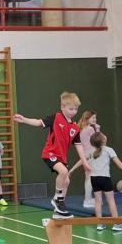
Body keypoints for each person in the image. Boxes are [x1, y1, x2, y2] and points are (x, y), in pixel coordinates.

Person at [13, 91, 91, 219]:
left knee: (66, 180)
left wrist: (85, 163)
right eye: (71, 109)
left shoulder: (75, 128)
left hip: (62, 157)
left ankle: (59, 210)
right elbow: (39, 122)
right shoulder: (56, 118)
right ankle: (57, 199)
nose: (73, 112)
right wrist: (24, 120)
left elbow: (79, 146)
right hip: (50, 153)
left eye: (76, 109)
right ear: (62, 107)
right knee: (64, 171)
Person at [87, 132, 122, 232]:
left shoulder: (91, 151)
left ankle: (99, 224)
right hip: (105, 178)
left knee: (98, 201)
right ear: (103, 140)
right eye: (103, 135)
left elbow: (84, 162)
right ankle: (117, 224)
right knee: (111, 201)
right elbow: (120, 165)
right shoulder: (108, 150)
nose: (105, 135)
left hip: (94, 178)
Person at [69, 111, 100, 209]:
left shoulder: (81, 129)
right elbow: (98, 140)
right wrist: (98, 129)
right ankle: (87, 200)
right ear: (87, 118)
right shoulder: (90, 129)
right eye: (93, 118)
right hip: (91, 156)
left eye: (95, 118)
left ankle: (88, 198)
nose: (95, 120)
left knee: (88, 178)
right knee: (90, 179)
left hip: (86, 155)